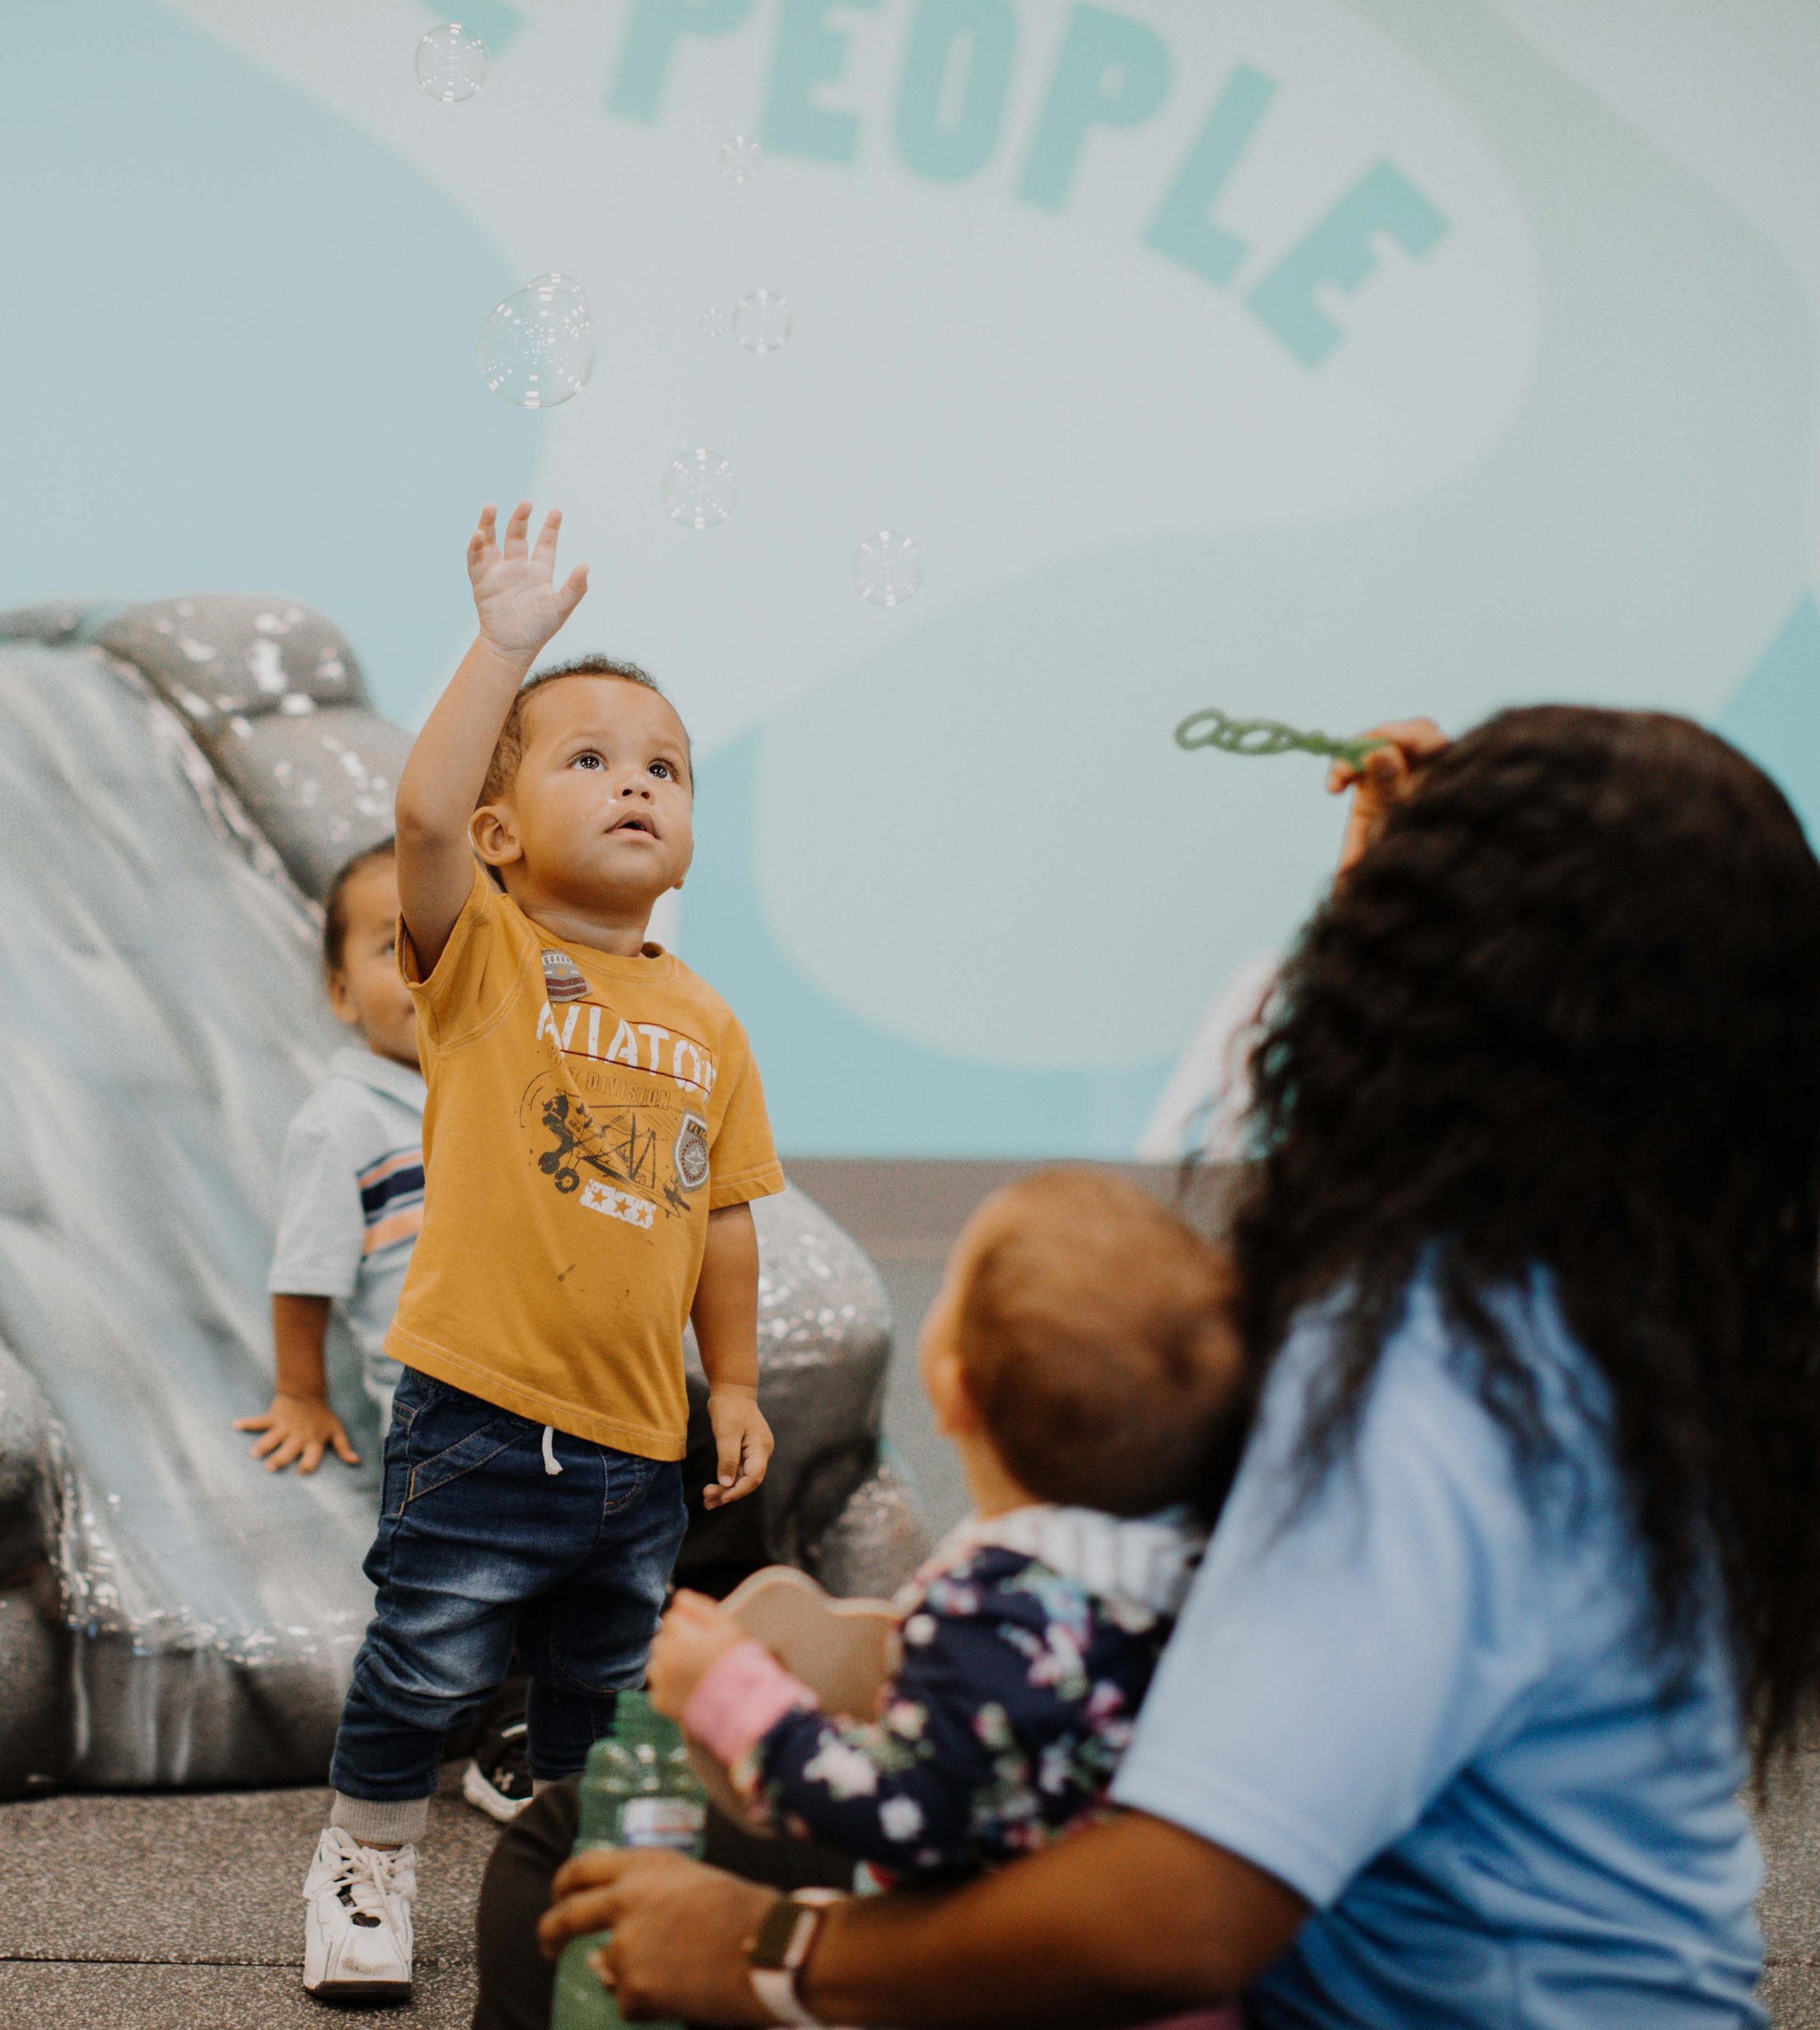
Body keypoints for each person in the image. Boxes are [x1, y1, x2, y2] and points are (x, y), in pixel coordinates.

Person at [539, 707, 1820, 2029]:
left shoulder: (1430, 1386)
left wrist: (770, 1951)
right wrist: (1389, 889)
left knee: (572, 1858)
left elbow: (1181, 1917)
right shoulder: (1609, 1301)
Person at [301, 501, 784, 2005]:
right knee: (429, 1662)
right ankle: (366, 1861)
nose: (635, 782)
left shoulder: (708, 1020)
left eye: (664, 768)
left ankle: (579, 1869)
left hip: (640, 1438)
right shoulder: (490, 960)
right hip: (479, 1408)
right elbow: (428, 823)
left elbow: (722, 1215)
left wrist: (741, 1385)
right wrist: (509, 648)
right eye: (589, 758)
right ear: (509, 837)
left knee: (601, 1690)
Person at [648, 1168, 1240, 1901]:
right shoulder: (1202, 1566)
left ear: (955, 1392)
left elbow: (901, 1815)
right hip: (1137, 1923)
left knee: (560, 1841)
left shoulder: (992, 1611)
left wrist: (732, 1695)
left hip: (993, 1945)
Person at [238, 838, 423, 1474]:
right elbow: (304, 1274)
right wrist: (301, 1394)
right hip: (443, 1410)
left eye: (461, 938)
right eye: (394, 946)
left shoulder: (520, 1095)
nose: (432, 966)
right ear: (342, 993)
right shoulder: (344, 1122)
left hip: (559, 1385)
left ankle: (706, 1575)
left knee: (685, 1417)